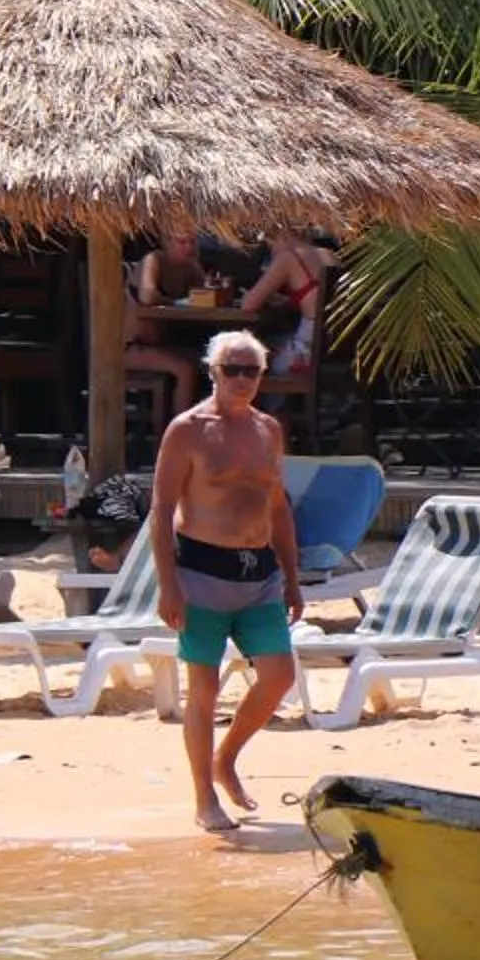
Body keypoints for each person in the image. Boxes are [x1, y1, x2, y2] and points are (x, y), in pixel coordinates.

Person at [151, 329, 304, 834]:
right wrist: (167, 583)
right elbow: (162, 508)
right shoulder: (187, 430)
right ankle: (204, 797)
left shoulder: (268, 429)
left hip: (257, 572)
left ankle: (227, 758)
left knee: (279, 676)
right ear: (213, 372)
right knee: (205, 687)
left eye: (251, 371)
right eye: (231, 370)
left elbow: (277, 507)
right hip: (201, 571)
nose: (242, 379)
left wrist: (292, 577)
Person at [128, 222, 214, 413]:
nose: (189, 247)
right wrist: (176, 302)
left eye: (192, 242)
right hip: (131, 347)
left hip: (163, 345)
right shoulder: (154, 260)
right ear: (167, 243)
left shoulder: (190, 266)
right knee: (185, 369)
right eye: (181, 242)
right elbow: (147, 296)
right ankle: (180, 427)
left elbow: (206, 296)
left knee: (211, 362)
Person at [241, 228, 330, 375]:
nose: (272, 252)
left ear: (283, 235)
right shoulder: (328, 255)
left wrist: (247, 296)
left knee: (252, 354)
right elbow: (317, 300)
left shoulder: (289, 258)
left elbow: (248, 305)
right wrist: (288, 301)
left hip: (306, 353)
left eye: (271, 244)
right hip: (331, 349)